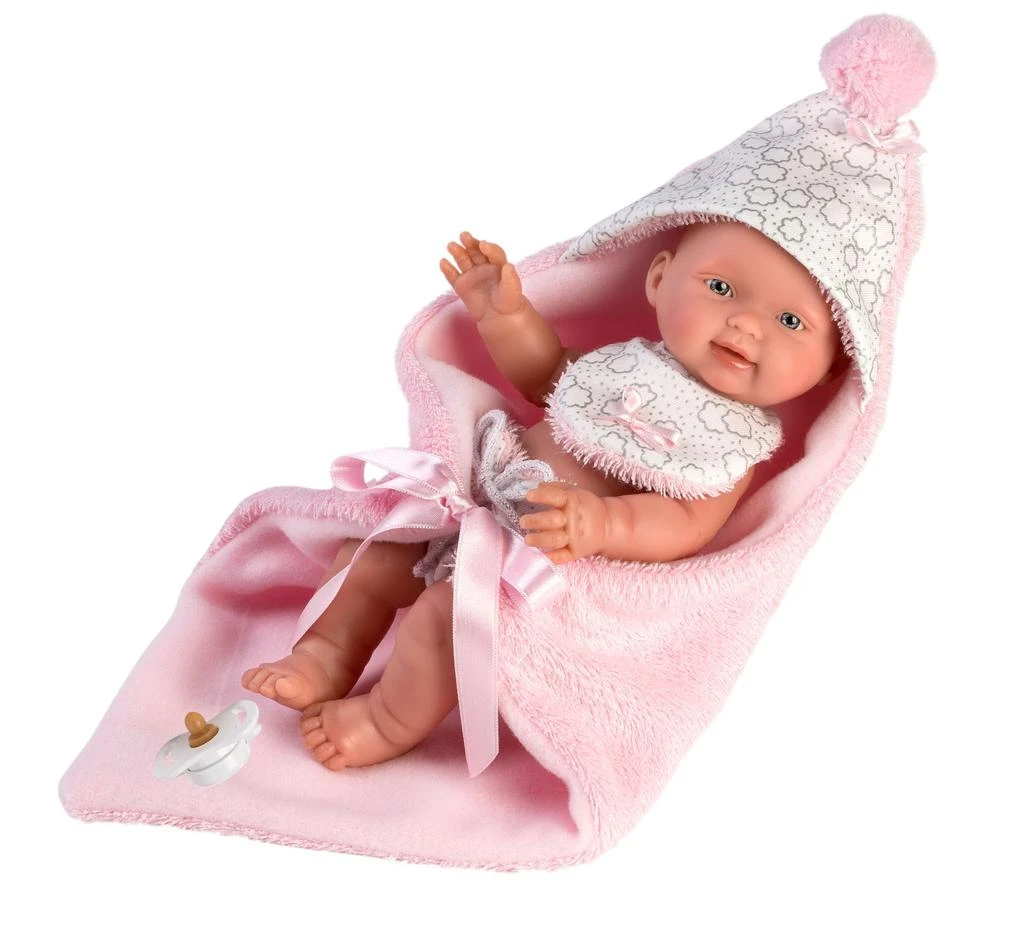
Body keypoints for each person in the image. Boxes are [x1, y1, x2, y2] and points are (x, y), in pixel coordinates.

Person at [240, 219, 848, 771]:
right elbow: (546, 375)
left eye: (790, 322)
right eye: (720, 288)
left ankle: (385, 721)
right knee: (372, 555)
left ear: (828, 369)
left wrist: (603, 523)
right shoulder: (623, 364)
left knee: (449, 620)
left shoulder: (730, 447)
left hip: (535, 565)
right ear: (659, 279)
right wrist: (504, 316)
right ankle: (325, 657)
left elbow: (686, 523)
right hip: (476, 507)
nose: (746, 324)